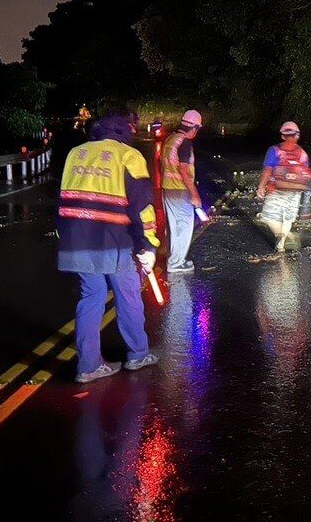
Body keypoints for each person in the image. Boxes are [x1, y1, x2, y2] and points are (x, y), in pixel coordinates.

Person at [57, 111, 161, 383]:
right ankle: (138, 353)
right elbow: (142, 205)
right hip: (114, 240)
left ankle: (88, 365)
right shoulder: (129, 155)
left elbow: (64, 197)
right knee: (127, 295)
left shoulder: (75, 153)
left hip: (76, 239)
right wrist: (148, 245)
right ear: (127, 130)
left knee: (91, 295)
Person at [256, 122, 311, 252]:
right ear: (297, 136)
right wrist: (306, 199)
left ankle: (279, 235)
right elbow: (307, 177)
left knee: (269, 217)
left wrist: (261, 186)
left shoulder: (274, 150)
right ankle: (282, 243)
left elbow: (267, 170)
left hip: (275, 189)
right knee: (289, 217)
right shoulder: (303, 154)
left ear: (282, 136)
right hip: (295, 191)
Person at [161, 109, 203, 273]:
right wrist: (195, 194)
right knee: (183, 227)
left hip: (168, 188)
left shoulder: (170, 139)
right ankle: (176, 262)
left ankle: (174, 259)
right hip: (180, 190)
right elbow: (184, 170)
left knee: (174, 225)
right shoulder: (184, 142)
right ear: (194, 128)